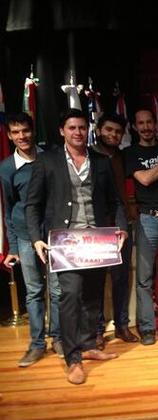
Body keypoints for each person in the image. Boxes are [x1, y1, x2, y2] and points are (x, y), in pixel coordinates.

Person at [26, 109, 128, 384]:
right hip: (65, 243)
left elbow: (116, 202)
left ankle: (88, 345)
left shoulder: (101, 161)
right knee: (70, 295)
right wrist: (36, 238)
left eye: (82, 127)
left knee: (94, 295)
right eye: (72, 127)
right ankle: (73, 358)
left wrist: (121, 229)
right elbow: (32, 205)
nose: (78, 132)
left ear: (88, 130)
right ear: (62, 131)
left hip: (97, 242)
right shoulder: (47, 161)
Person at [0, 112, 62, 367]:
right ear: (9, 135)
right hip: (26, 237)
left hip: (53, 235)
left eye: (25, 130)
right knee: (34, 292)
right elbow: (8, 209)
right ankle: (37, 344)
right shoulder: (7, 167)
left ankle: (58, 338)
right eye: (15, 132)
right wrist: (13, 246)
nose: (21, 136)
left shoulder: (50, 157)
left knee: (57, 290)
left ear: (33, 131)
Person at [125, 108, 158, 345]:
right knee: (144, 278)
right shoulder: (131, 153)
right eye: (141, 123)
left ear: (156, 124)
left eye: (149, 122)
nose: (146, 127)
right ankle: (147, 328)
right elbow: (145, 179)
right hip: (147, 218)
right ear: (134, 126)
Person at [92, 112, 139, 348]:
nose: (113, 134)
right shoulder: (89, 155)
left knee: (121, 276)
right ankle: (97, 330)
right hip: (96, 223)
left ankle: (122, 325)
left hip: (122, 220)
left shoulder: (123, 156)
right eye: (109, 130)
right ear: (99, 130)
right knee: (98, 279)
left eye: (118, 131)